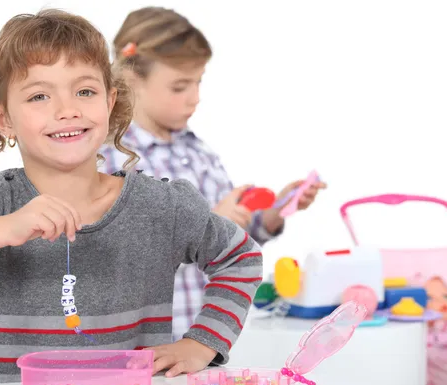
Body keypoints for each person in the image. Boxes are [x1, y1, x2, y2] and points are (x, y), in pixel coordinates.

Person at [0, 9, 263, 385]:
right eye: (39, 96)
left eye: (85, 91)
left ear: (110, 102)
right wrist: (0, 228)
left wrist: (203, 342)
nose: (67, 109)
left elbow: (241, 257)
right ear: (3, 119)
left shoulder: (162, 206)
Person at [99, 7, 325, 340]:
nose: (195, 98)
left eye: (198, 82)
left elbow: (232, 238)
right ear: (132, 80)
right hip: (146, 347)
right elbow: (112, 258)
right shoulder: (111, 160)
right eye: (179, 87)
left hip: (206, 340)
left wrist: (275, 212)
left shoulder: (199, 153)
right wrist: (201, 228)